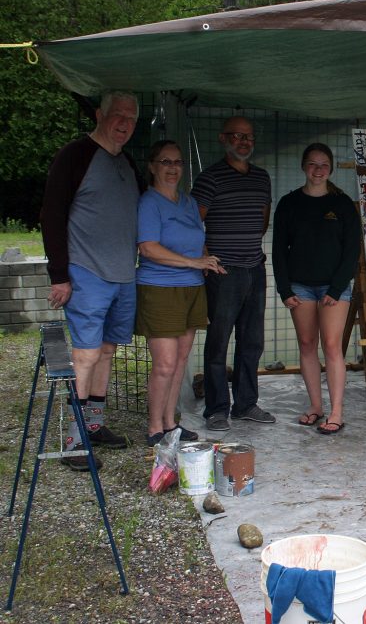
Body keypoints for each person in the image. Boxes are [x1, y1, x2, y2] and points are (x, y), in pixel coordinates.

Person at [39, 90, 141, 471]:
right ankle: (73, 441)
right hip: (85, 272)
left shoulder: (126, 162)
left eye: (131, 118)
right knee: (84, 355)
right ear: (100, 114)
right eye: (117, 115)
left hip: (123, 275)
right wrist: (60, 275)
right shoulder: (75, 156)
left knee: (108, 350)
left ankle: (94, 426)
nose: (124, 124)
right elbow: (51, 215)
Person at [136, 140, 226, 447]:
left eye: (177, 162)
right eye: (165, 162)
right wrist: (193, 262)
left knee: (181, 359)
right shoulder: (148, 203)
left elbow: (197, 239)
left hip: (192, 288)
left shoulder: (188, 202)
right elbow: (148, 248)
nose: (172, 168)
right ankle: (154, 427)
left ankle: (170, 422)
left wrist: (207, 259)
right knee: (164, 363)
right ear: (152, 166)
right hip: (160, 289)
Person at [191, 116, 274, 431]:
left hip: (255, 267)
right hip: (224, 272)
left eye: (249, 137)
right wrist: (206, 260)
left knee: (252, 341)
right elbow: (193, 223)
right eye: (237, 136)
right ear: (223, 138)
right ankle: (216, 409)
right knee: (218, 342)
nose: (244, 142)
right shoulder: (210, 178)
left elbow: (263, 219)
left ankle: (245, 404)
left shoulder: (262, 178)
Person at [272, 143, 361, 434]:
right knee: (307, 345)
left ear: (331, 168)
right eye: (312, 164)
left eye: (323, 165)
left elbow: (352, 251)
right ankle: (315, 406)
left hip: (333, 288)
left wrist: (336, 289)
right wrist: (284, 289)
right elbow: (278, 250)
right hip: (300, 287)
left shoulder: (343, 204)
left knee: (333, 347)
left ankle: (336, 411)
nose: (318, 170)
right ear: (303, 167)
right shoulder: (289, 203)